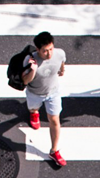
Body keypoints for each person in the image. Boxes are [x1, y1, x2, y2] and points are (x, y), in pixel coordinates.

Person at [22, 31, 67, 166]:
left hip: (53, 93)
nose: (49, 54)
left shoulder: (59, 53)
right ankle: (34, 113)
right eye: (45, 51)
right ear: (38, 49)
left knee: (54, 119)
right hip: (35, 93)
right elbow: (25, 81)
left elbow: (62, 62)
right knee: (33, 108)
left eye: (51, 49)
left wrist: (62, 70)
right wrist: (33, 69)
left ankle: (54, 150)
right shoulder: (30, 60)